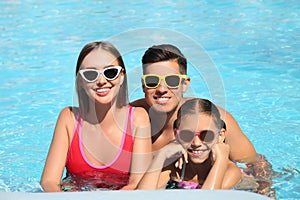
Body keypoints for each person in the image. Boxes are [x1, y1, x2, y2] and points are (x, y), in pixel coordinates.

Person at [131, 44, 273, 191]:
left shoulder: (212, 119)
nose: (161, 89)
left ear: (185, 84)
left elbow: (256, 162)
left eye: (172, 80)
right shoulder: (132, 117)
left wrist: (266, 191)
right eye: (152, 81)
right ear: (143, 85)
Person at [40, 41, 152, 192]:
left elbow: (136, 184)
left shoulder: (138, 119)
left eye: (110, 72)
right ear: (80, 81)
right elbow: (49, 182)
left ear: (122, 77)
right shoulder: (69, 119)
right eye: (90, 74)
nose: (101, 81)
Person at [138, 98, 241, 189]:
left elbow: (208, 198)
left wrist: (221, 159)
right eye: (186, 135)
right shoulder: (175, 168)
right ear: (176, 134)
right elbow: (141, 196)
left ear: (220, 136)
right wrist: (161, 155)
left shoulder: (229, 170)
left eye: (206, 135)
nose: (196, 143)